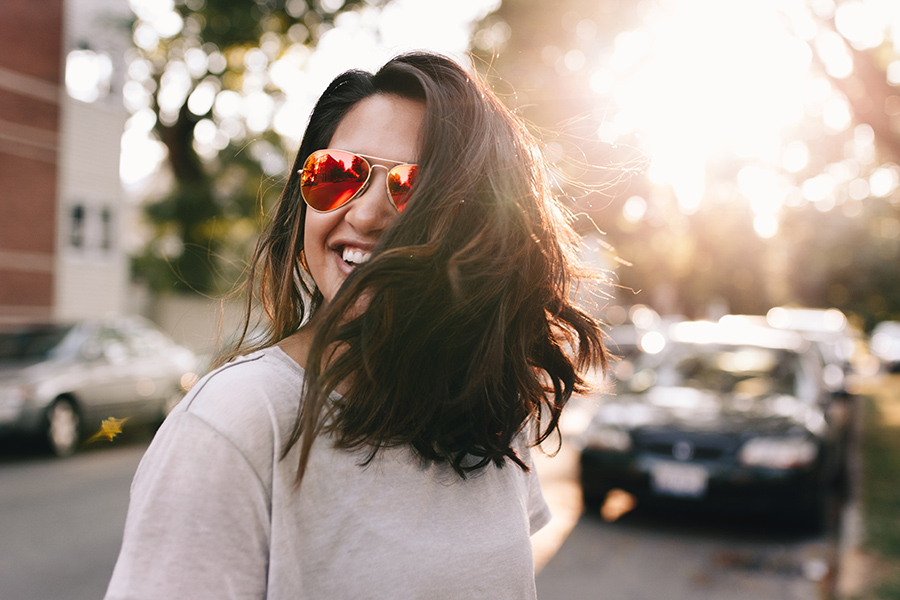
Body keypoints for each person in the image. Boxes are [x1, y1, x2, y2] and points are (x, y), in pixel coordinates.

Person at [105, 51, 608, 599]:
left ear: (483, 228)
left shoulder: (486, 410)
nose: (366, 216)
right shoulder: (235, 423)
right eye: (337, 175)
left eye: (413, 188)